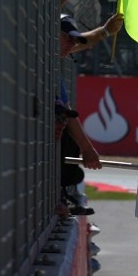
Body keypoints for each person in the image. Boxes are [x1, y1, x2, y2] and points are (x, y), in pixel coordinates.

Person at [57, 12, 124, 216]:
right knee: (69, 136)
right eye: (67, 38)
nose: (72, 44)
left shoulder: (52, 57)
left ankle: (63, 192)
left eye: (74, 40)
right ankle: (61, 192)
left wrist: (104, 31)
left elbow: (82, 42)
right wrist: (87, 148)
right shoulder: (42, 61)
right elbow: (69, 116)